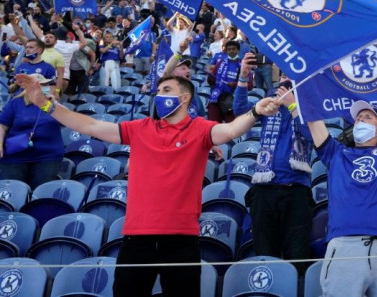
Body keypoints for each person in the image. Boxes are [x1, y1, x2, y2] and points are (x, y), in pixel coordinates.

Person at [15, 72, 279, 297]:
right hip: (137, 237)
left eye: (167, 90)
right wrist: (45, 104)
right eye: (159, 90)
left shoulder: (200, 129)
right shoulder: (140, 128)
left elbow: (230, 131)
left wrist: (255, 111)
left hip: (182, 239)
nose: (159, 95)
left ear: (185, 97)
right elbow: (91, 125)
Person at [306, 100, 377, 297]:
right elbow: (313, 119)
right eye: (358, 118)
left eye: (368, 117)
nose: (360, 120)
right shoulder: (335, 153)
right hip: (344, 245)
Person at [233, 54, 314, 274]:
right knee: (264, 255)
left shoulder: (309, 103)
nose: (285, 79)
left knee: (297, 256)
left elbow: (313, 136)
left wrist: (293, 106)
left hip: (296, 190)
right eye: (283, 73)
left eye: (291, 74)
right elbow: (240, 110)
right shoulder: (268, 101)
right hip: (264, 189)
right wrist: (243, 78)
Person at [0, 74, 63, 188]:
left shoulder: (51, 105)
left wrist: (55, 104)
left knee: (41, 193)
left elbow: (67, 121)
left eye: (46, 84)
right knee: (11, 191)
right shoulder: (16, 103)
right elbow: (2, 125)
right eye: (41, 85)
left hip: (47, 156)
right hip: (16, 155)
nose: (45, 87)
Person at [206, 40, 240, 122]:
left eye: (233, 49)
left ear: (238, 50)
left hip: (231, 100)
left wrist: (234, 84)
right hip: (216, 99)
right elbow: (211, 81)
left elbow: (249, 85)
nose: (231, 51)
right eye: (229, 49)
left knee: (231, 129)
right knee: (212, 126)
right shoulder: (220, 63)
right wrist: (210, 77)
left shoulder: (242, 65)